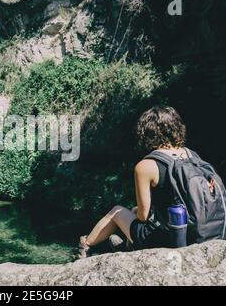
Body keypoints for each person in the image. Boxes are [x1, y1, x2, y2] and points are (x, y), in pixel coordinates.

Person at [78, 105, 194, 258]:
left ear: (147, 133)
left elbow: (143, 217)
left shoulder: (146, 166)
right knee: (133, 210)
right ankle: (129, 247)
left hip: (169, 241)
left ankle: (84, 247)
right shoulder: (191, 156)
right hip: (193, 233)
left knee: (117, 212)